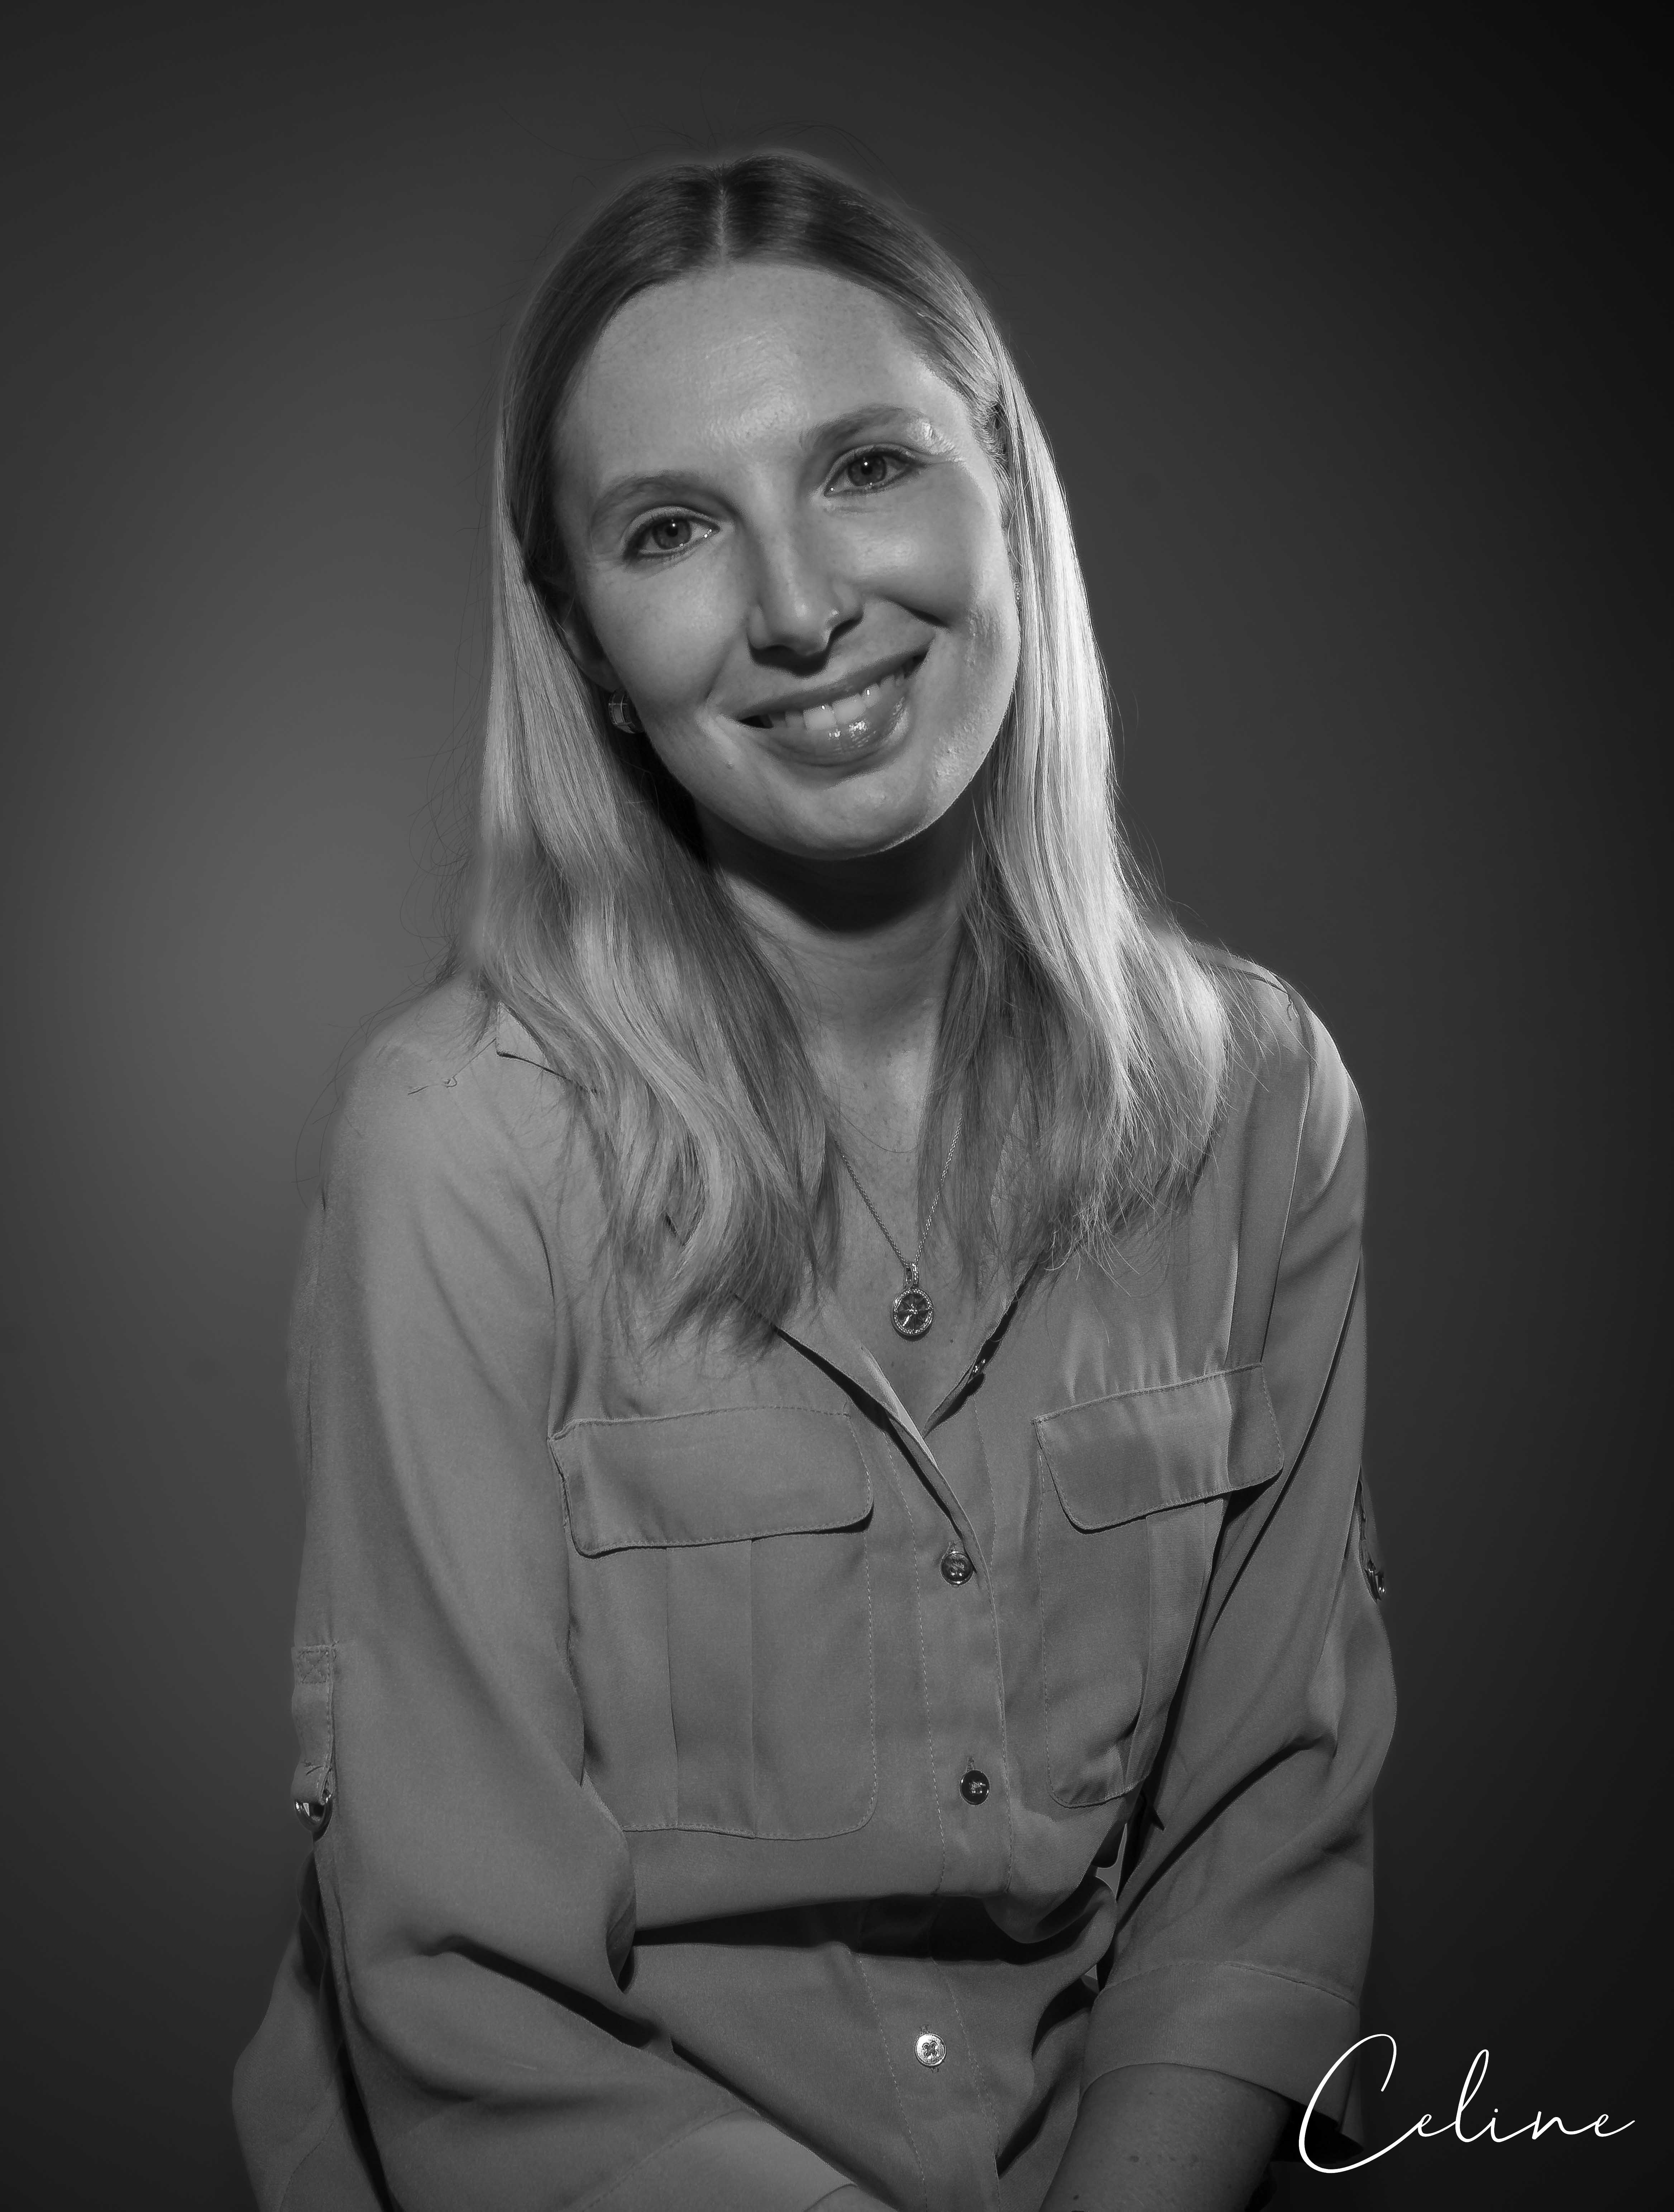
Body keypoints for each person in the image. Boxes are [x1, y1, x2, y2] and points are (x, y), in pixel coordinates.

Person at [234, 150, 1394, 2212]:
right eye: (671, 529)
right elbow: (464, 1997)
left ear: (1005, 483)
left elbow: (1260, 1838)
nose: (794, 608)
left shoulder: (1260, 1103)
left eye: (865, 466)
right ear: (587, 644)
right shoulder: (459, 1141)